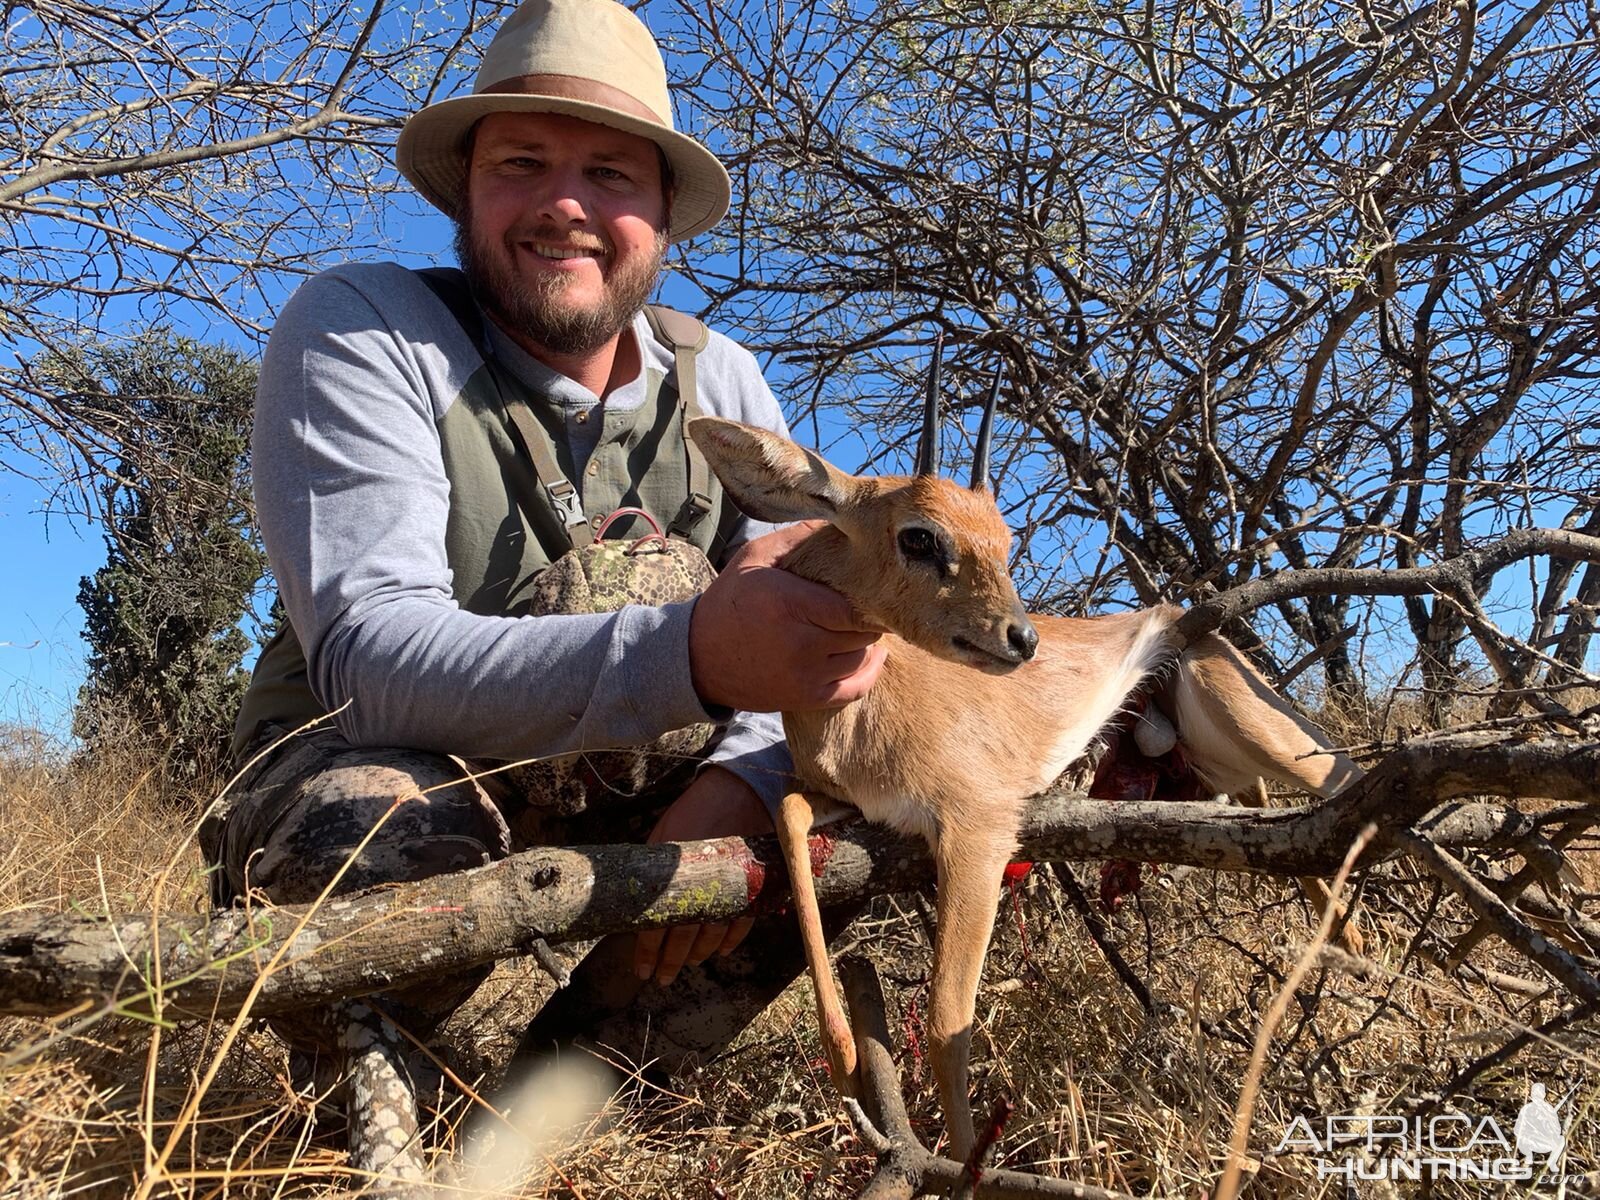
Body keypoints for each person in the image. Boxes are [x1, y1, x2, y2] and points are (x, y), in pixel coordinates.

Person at [202, 0, 883, 1176]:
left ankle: (551, 1118)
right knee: (376, 824)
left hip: (657, 781)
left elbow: (813, 616)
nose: (567, 202)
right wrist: (700, 658)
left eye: (611, 173)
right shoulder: (364, 329)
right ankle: (340, 1110)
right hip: (391, 768)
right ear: (467, 190)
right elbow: (368, 660)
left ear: (663, 217)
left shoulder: (719, 375)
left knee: (856, 801)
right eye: (523, 163)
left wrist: (750, 772)